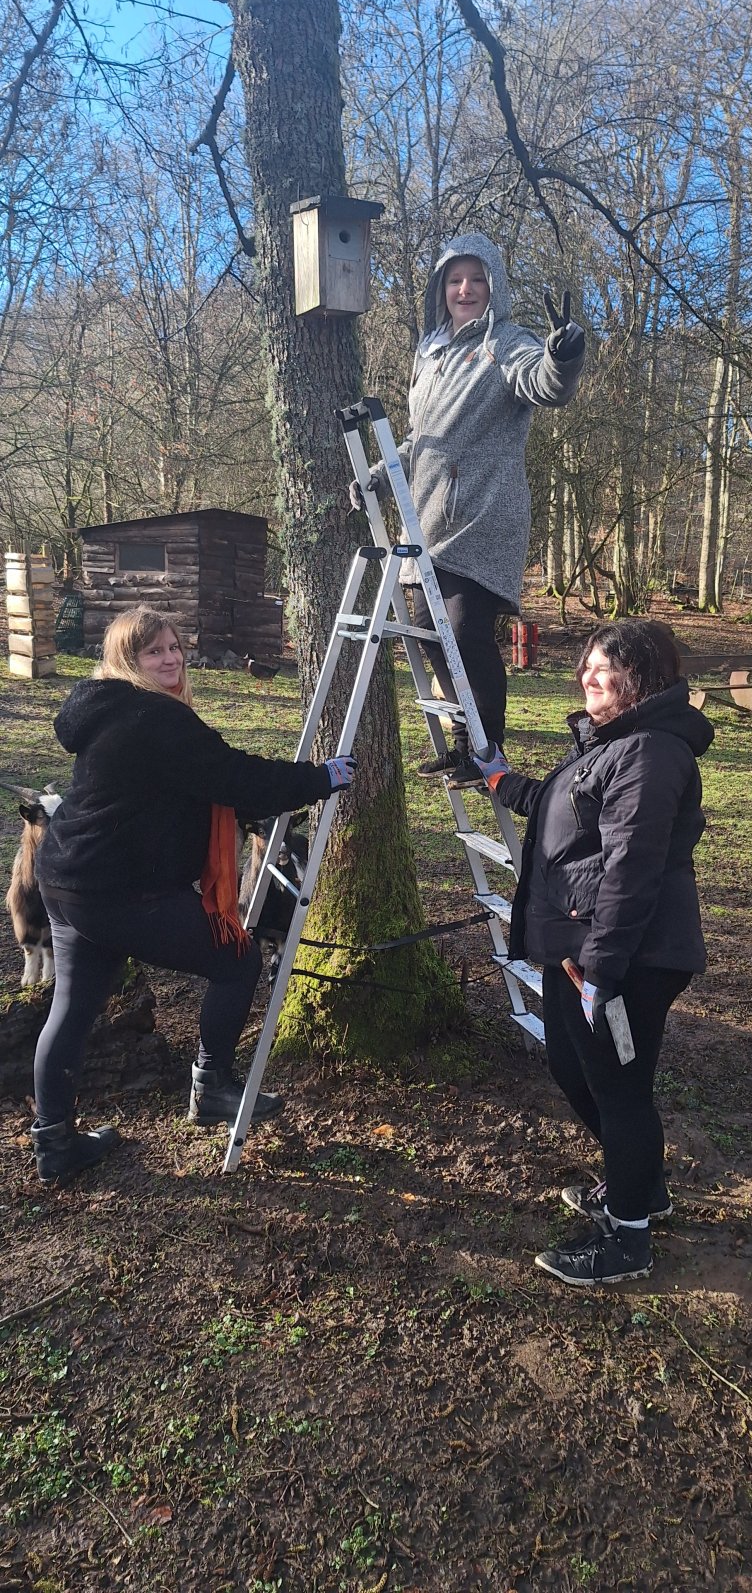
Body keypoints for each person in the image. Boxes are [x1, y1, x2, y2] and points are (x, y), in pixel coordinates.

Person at [31, 608, 356, 1186]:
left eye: (175, 647)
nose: (171, 659)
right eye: (154, 652)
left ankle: (54, 1143)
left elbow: (182, 785)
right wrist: (320, 777)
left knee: (73, 1008)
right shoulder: (154, 717)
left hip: (67, 877)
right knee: (237, 960)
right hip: (116, 890)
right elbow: (233, 776)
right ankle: (212, 1088)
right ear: (128, 660)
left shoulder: (105, 707)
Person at [473, 620, 714, 1286]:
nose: (586, 676)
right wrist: (500, 780)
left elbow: (631, 869)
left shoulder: (652, 752)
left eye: (602, 667)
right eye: (586, 666)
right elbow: (562, 810)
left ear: (640, 677)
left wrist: (603, 973)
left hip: (626, 955)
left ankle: (628, 1239)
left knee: (619, 1087)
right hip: (580, 947)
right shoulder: (609, 746)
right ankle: (644, 1186)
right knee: (572, 1067)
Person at [353, 233, 585, 787]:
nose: (466, 289)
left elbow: (543, 383)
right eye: (455, 280)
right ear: (441, 288)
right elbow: (421, 439)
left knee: (461, 629)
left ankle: (489, 749)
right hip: (425, 518)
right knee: (430, 636)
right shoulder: (430, 351)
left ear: (494, 287)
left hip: (483, 517)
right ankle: (463, 746)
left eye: (477, 280)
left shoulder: (505, 343)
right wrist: (383, 475)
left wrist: (562, 355)